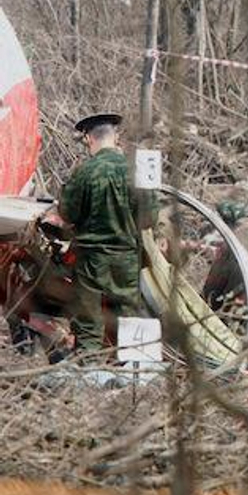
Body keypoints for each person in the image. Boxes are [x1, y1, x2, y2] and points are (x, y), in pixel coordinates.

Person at [59, 113, 152, 353]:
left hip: (92, 260)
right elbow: (149, 217)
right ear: (116, 136)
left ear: (89, 138)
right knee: (130, 318)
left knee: (88, 322)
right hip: (127, 258)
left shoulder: (85, 171)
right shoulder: (137, 170)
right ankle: (134, 374)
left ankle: (89, 377)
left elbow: (68, 213)